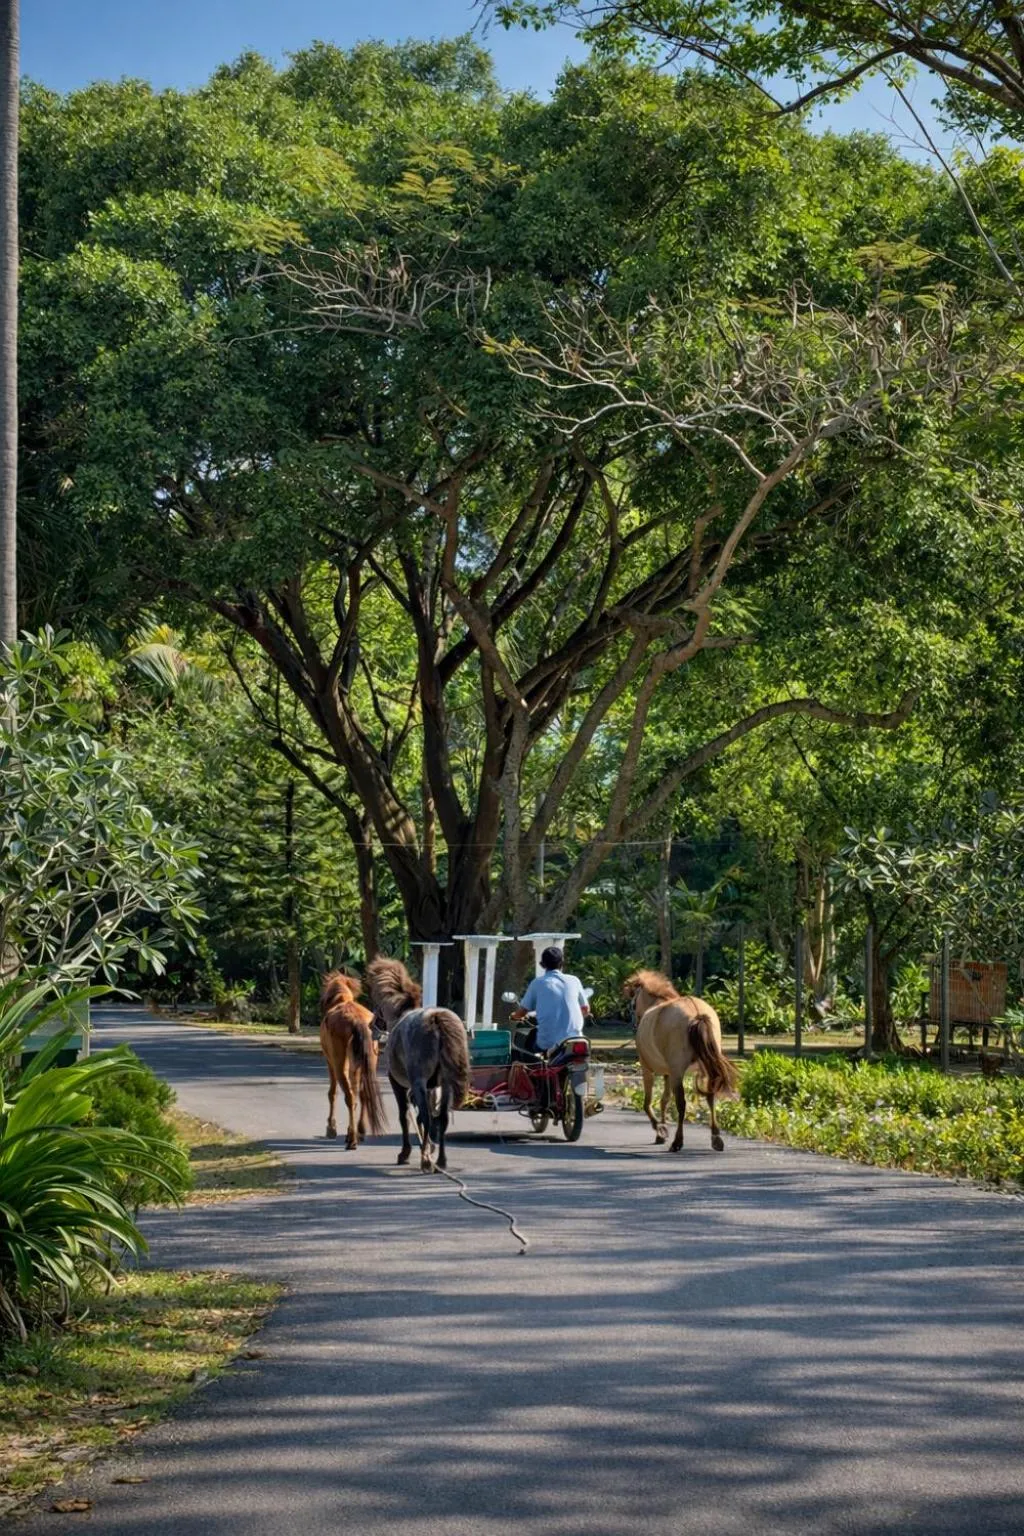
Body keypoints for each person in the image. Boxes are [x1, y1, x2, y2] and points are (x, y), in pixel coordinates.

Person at [511, 946, 590, 1055]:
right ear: (562, 962)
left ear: (542, 964)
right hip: (576, 1040)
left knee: (526, 1045)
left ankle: (533, 1070)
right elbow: (585, 1009)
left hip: (548, 1043)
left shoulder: (537, 983)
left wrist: (514, 1016)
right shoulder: (574, 980)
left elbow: (523, 1011)